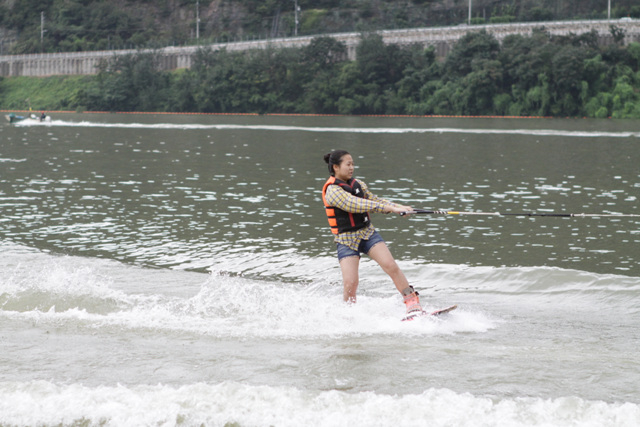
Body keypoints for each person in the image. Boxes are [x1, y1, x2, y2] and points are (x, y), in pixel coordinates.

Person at [321, 149, 423, 316]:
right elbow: (356, 204)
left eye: (353, 164)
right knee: (350, 283)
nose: (352, 167)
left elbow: (374, 200)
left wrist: (399, 207)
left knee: (391, 266)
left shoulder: (359, 184)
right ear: (336, 167)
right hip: (346, 240)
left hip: (367, 233)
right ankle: (349, 315)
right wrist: (390, 209)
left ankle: (413, 303)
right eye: (348, 164)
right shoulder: (333, 191)